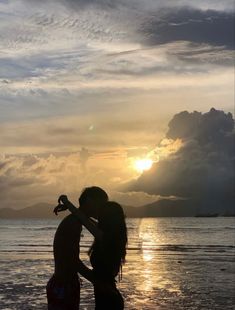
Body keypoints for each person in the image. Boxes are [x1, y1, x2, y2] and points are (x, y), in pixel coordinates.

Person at [57, 196, 127, 310]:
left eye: (101, 214)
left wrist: (67, 202)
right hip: (106, 295)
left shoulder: (107, 239)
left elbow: (84, 220)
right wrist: (70, 207)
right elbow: (86, 219)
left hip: (108, 297)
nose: (98, 215)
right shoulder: (113, 237)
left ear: (107, 219)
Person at [46, 186, 108, 310]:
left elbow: (87, 221)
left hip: (65, 284)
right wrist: (97, 281)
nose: (103, 210)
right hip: (63, 287)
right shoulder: (73, 224)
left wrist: (70, 206)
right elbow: (72, 260)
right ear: (90, 201)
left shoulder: (76, 220)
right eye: (102, 204)